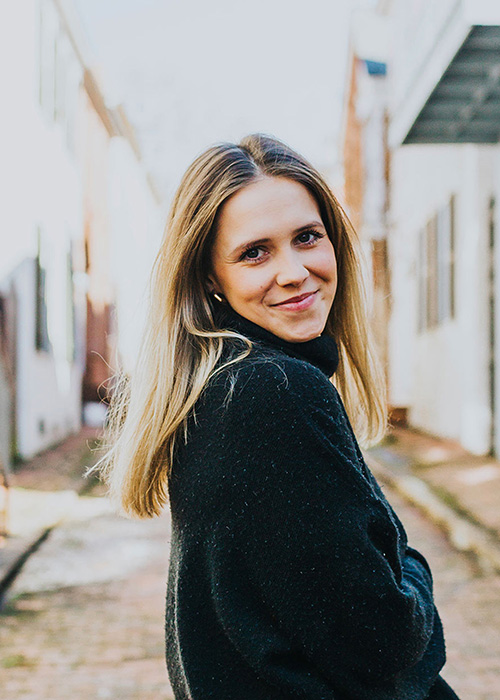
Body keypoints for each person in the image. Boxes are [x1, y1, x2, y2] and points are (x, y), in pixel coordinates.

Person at [97, 133, 461, 699]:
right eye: (254, 252)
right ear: (210, 279)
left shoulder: (222, 387)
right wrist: (414, 569)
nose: (294, 272)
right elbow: (384, 643)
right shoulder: (275, 392)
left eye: (307, 238)